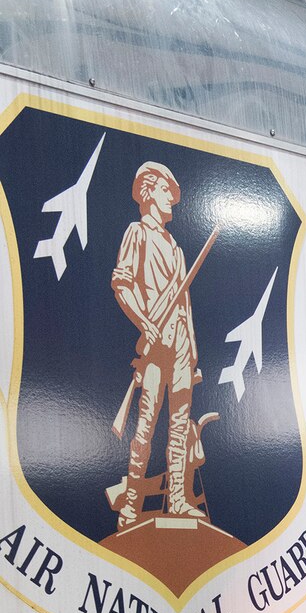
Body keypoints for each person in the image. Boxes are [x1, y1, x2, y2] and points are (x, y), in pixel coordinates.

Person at [110, 160, 201, 528]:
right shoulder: (138, 233)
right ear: (149, 192)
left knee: (179, 424)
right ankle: (131, 506)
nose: (172, 201)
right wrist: (146, 325)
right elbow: (122, 283)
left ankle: (177, 500)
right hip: (154, 342)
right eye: (166, 191)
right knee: (146, 425)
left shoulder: (177, 250)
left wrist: (191, 348)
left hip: (179, 343)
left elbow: (185, 305)